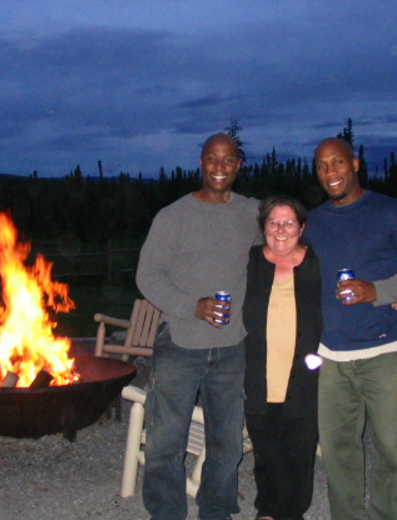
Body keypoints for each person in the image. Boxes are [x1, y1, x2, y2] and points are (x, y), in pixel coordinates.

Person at [303, 138, 397, 520]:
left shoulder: (392, 212)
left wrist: (382, 290)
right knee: (339, 451)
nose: (330, 173)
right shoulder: (312, 222)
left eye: (337, 163)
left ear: (355, 164)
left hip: (384, 351)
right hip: (331, 356)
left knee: (391, 450)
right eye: (322, 166)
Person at [135, 133, 260, 520]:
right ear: (201, 162)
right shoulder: (173, 217)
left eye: (228, 159)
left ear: (239, 165)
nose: (219, 167)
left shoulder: (253, 213)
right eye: (211, 158)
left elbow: (287, 246)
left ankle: (217, 510)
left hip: (233, 346)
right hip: (180, 344)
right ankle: (166, 512)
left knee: (227, 444)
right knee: (164, 443)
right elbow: (148, 276)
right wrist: (192, 306)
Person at [243, 195, 322, 520]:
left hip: (304, 379)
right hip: (259, 377)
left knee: (299, 455)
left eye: (289, 222)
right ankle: (267, 511)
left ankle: (288, 514)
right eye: (273, 221)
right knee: (267, 453)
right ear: (263, 227)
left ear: (302, 228)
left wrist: (392, 297)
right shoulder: (248, 262)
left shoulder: (318, 262)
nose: (280, 229)